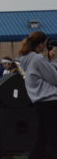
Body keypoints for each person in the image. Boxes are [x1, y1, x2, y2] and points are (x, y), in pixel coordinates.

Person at [16, 31, 57, 159]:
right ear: (40, 45)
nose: (46, 47)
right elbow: (54, 79)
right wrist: (55, 59)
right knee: (52, 140)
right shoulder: (37, 58)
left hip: (39, 102)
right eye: (45, 44)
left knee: (42, 139)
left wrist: (51, 61)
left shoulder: (25, 59)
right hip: (51, 102)